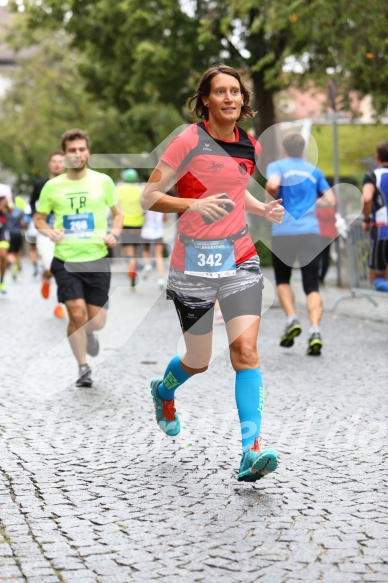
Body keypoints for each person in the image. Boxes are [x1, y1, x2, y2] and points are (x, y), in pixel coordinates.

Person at [142, 64, 284, 483]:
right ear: (205, 99)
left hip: (240, 258)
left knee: (245, 353)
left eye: (235, 92)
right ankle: (164, 391)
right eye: (220, 92)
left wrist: (263, 209)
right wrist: (192, 205)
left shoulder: (249, 146)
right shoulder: (188, 139)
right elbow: (149, 196)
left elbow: (240, 191)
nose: (229, 98)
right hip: (193, 265)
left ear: (243, 101)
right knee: (199, 360)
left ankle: (250, 450)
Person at [34, 128, 123, 387]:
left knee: (96, 321)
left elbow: (118, 213)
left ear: (88, 152)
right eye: (71, 150)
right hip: (65, 259)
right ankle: (83, 366)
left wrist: (113, 234)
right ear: (64, 156)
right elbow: (38, 218)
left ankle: (90, 333)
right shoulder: (52, 187)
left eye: (81, 149)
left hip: (96, 258)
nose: (77, 154)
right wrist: (49, 231)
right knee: (75, 312)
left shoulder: (103, 181)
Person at [265, 132, 336, 356]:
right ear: (303, 150)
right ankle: (315, 330)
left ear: (284, 149)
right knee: (311, 284)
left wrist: (271, 197)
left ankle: (292, 319)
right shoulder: (313, 171)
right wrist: (312, 202)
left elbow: (273, 185)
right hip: (310, 232)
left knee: (283, 279)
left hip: (284, 231)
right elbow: (331, 200)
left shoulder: (277, 166)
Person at [32, 151, 66, 318]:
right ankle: (46, 277)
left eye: (60, 161)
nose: (57, 164)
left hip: (64, 233)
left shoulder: (69, 184)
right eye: (54, 161)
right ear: (49, 164)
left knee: (61, 268)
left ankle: (59, 304)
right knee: (52, 267)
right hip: (45, 232)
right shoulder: (40, 185)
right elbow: (35, 209)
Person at [362, 140, 388, 285]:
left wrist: (366, 220)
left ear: (377, 157)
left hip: (382, 229)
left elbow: (366, 199)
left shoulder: (373, 176)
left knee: (377, 277)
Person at [116, 168, 144, 290]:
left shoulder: (119, 190)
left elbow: (116, 207)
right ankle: (133, 263)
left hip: (124, 223)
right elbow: (144, 207)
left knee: (127, 249)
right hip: (138, 223)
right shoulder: (140, 190)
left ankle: (130, 264)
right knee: (135, 248)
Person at [140, 208, 167, 289]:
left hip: (147, 231)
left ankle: (147, 265)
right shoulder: (162, 204)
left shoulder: (146, 203)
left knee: (146, 250)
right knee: (158, 255)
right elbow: (165, 219)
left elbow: (141, 215)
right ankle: (161, 279)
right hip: (158, 231)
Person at [0, 176, 13, 295]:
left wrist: (7, 204)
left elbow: (10, 210)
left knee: (3, 256)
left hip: (2, 228)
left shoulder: (5, 189)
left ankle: (1, 281)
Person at [6, 202, 25, 280]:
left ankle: (14, 265)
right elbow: (24, 222)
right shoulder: (19, 210)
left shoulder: (5, 210)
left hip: (8, 234)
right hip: (18, 233)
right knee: (17, 251)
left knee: (10, 252)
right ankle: (17, 263)